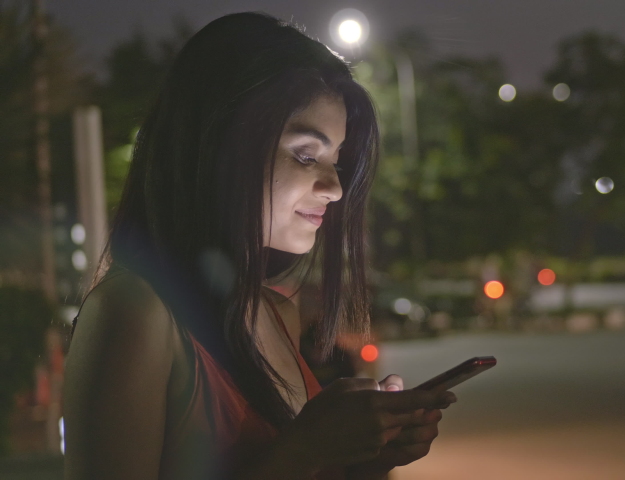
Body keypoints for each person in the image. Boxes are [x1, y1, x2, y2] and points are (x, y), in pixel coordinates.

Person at [63, 12, 455, 480]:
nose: (333, 188)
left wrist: (367, 459)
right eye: (307, 156)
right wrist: (304, 451)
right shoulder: (133, 312)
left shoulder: (274, 313)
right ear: (218, 143)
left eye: (336, 162)